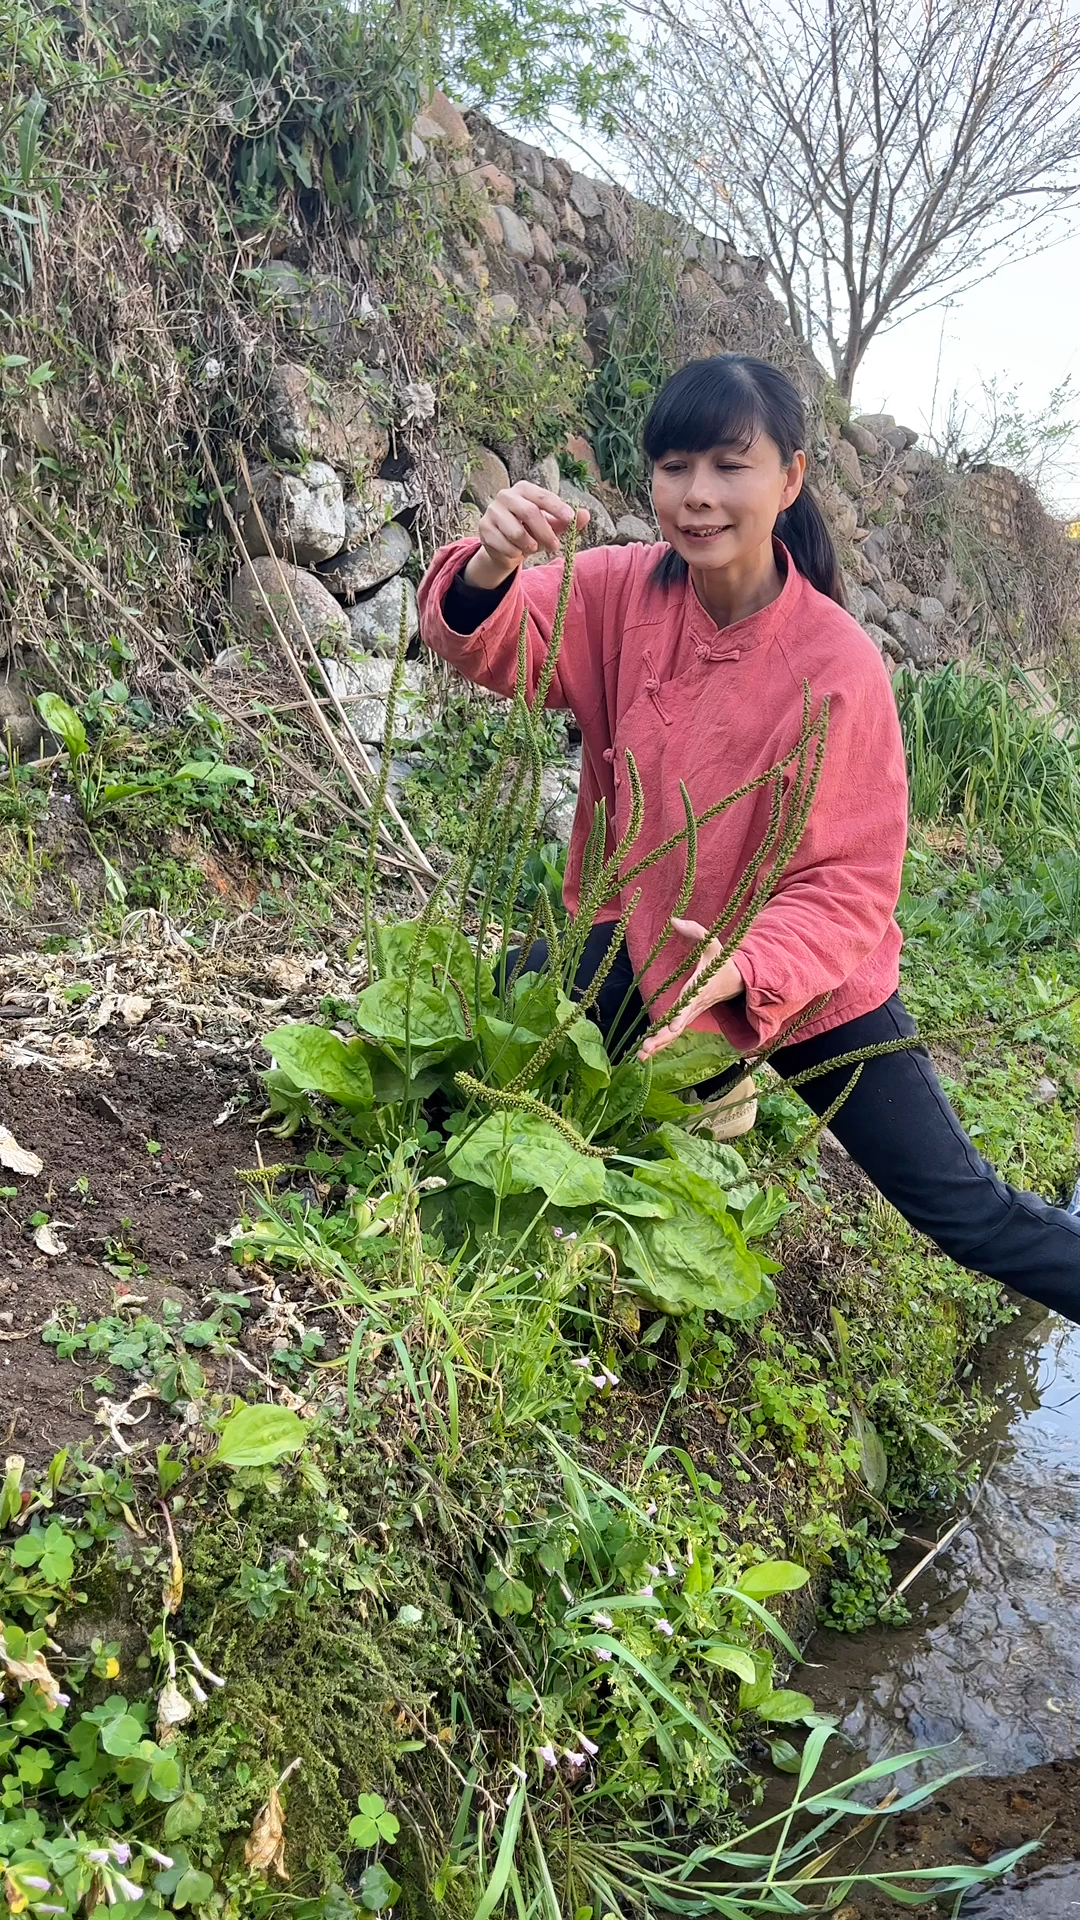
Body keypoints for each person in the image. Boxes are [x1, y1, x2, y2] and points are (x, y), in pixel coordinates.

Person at [417, 352, 1080, 1323]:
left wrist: (748, 967)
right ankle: (428, 1211)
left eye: (730, 465)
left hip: (806, 987)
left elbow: (848, 886)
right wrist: (490, 565)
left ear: (791, 479)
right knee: (481, 1041)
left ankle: (724, 1077)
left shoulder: (838, 666)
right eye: (674, 466)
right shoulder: (619, 595)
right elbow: (488, 636)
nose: (696, 495)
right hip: (651, 940)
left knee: (964, 1212)